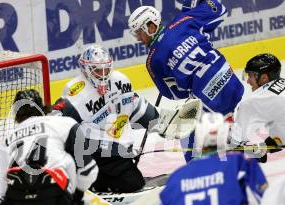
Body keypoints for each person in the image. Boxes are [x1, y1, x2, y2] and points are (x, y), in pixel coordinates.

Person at [52, 44, 202, 193]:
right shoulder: (76, 91)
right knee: (132, 183)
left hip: (116, 149)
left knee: (132, 180)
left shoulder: (119, 80)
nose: (103, 74)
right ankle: (86, 185)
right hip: (93, 152)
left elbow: (135, 106)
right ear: (85, 69)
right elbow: (56, 119)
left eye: (106, 69)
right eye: (97, 70)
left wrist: (164, 121)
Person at [128, 0, 244, 162]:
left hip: (211, 103)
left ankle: (197, 168)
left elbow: (174, 94)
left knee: (185, 130)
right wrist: (193, 7)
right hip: (232, 83)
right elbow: (219, 9)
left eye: (139, 32)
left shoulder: (153, 60)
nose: (139, 39)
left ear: (151, 26)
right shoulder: (184, 21)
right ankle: (228, 127)